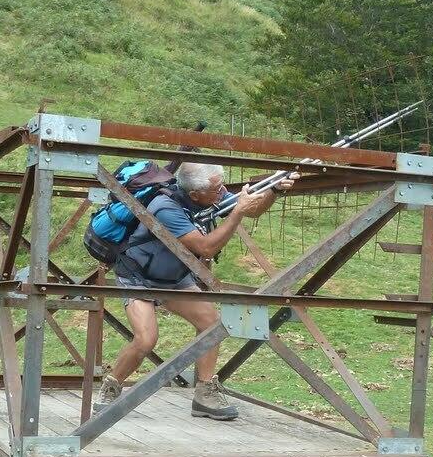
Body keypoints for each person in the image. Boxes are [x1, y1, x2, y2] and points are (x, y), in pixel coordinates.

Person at [95, 162, 288, 420]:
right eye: (217, 188)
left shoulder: (211, 194)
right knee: (146, 339)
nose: (222, 191)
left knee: (211, 324)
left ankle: (205, 394)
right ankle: (111, 386)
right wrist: (237, 213)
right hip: (139, 276)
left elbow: (252, 209)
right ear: (195, 194)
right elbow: (206, 247)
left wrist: (274, 190)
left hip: (174, 277)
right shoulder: (165, 208)